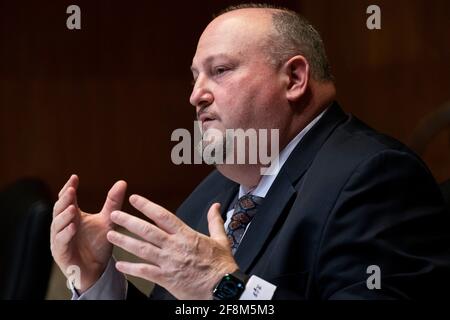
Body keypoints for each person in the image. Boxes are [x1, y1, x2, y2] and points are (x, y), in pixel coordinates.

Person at [50, 4, 450, 300]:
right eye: (195, 76)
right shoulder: (216, 191)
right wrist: (96, 278)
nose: (196, 95)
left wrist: (222, 287)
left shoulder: (375, 178)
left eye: (220, 70)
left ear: (294, 78)